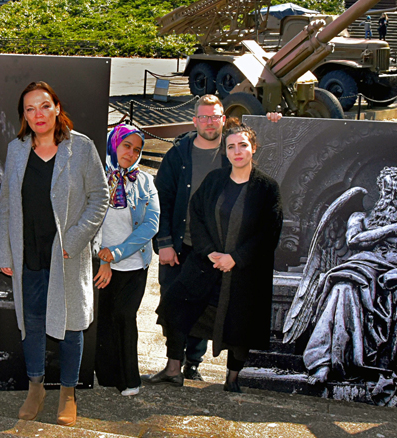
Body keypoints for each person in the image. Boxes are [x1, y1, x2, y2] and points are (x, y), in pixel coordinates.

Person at [282, 166, 397, 383]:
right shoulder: (359, 216)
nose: (392, 197)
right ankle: (325, 362)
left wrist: (378, 236)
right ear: (380, 188)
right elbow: (354, 240)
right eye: (388, 191)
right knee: (342, 287)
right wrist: (391, 231)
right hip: (365, 267)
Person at [0, 81, 109, 426]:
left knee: (72, 327)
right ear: (24, 116)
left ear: (57, 107)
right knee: (31, 326)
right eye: (30, 109)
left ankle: (68, 394)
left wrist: (73, 242)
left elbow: (99, 197)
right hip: (27, 255)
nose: (37, 115)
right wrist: (6, 253)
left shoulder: (81, 148)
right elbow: (5, 206)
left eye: (44, 106)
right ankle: (35, 388)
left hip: (66, 258)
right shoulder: (16, 150)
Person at [153, 118, 283, 392]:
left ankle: (232, 378)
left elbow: (267, 233)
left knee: (240, 323)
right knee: (176, 306)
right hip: (206, 264)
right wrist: (209, 252)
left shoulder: (267, 188)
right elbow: (196, 215)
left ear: (253, 148)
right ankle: (173, 369)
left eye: (243, 146)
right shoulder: (215, 180)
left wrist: (235, 258)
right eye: (231, 147)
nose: (237, 151)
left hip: (243, 272)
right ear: (225, 151)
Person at [148, 94, 230, 382]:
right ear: (195, 121)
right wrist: (165, 243)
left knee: (204, 308)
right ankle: (172, 364)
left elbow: (268, 147)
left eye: (215, 116)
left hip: (212, 248)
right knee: (172, 304)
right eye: (204, 117)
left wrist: (274, 120)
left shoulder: (233, 151)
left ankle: (192, 365)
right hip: (180, 246)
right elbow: (161, 199)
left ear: (224, 118)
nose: (209, 122)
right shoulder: (178, 154)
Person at [94, 124, 159, 396]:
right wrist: (103, 259)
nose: (131, 153)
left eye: (137, 149)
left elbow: (150, 225)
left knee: (124, 316)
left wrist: (116, 253)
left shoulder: (145, 182)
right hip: (100, 263)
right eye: (126, 146)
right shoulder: (96, 178)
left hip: (134, 264)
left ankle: (129, 379)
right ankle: (105, 376)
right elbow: (89, 222)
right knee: (103, 319)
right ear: (114, 145)